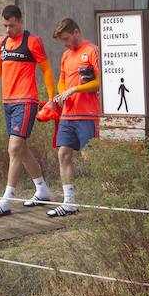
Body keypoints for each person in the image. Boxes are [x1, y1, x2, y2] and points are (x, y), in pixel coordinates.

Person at [0, 5, 56, 221]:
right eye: (5, 26)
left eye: (11, 25)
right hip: (7, 102)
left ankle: (6, 200)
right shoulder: (2, 43)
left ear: (21, 21)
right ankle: (42, 189)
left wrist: (51, 97)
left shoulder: (33, 42)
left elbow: (46, 69)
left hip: (26, 101)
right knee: (21, 149)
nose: (8, 30)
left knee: (14, 148)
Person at [47, 17, 100, 218]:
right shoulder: (66, 55)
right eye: (62, 40)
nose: (65, 43)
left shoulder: (92, 50)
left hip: (87, 114)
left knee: (91, 157)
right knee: (63, 154)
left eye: (67, 38)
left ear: (76, 32)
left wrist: (75, 89)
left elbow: (99, 82)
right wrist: (62, 93)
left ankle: (110, 198)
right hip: (68, 115)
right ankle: (69, 202)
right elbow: (61, 79)